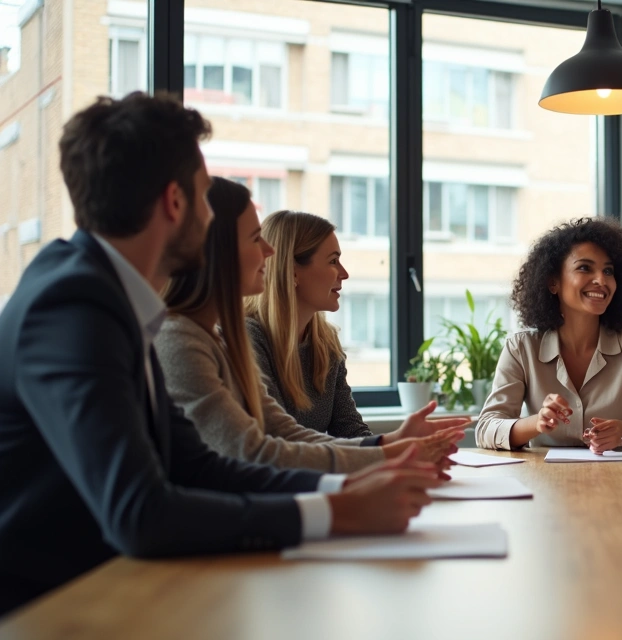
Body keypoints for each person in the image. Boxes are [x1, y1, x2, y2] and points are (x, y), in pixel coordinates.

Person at [0, 94, 443, 615]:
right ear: (174, 202)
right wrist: (335, 511)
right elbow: (141, 513)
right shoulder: (75, 306)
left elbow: (198, 466)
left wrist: (348, 483)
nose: (213, 219)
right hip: (54, 608)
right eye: (207, 197)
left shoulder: (110, 297)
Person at [157, 179, 464, 473]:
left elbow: (287, 434)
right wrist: (387, 454)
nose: (268, 251)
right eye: (254, 239)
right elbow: (261, 451)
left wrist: (390, 444)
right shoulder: (203, 339)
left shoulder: (224, 340)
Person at [476, 217, 622, 453]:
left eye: (608, 271)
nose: (601, 280)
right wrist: (537, 422)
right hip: (544, 482)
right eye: (585, 268)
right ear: (553, 282)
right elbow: (486, 428)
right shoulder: (520, 348)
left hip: (619, 481)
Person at [246, 210, 389, 440]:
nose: (344, 273)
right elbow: (280, 440)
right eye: (333, 261)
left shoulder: (325, 341)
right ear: (293, 273)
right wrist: (387, 447)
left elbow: (351, 431)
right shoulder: (249, 338)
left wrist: (403, 446)